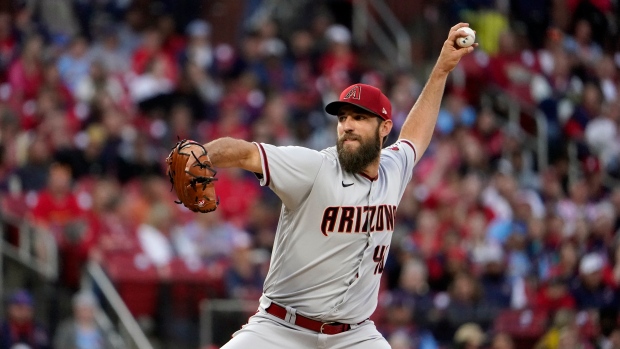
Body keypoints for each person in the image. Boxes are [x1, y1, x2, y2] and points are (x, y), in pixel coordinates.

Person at [202, 23, 476, 348]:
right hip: (280, 329)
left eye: (359, 118)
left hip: (354, 335)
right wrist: (203, 155)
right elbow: (247, 152)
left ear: (384, 127)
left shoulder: (394, 168)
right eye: (343, 117)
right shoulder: (314, 167)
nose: (347, 125)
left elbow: (415, 135)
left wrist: (442, 70)